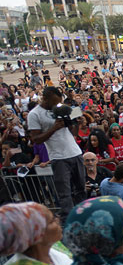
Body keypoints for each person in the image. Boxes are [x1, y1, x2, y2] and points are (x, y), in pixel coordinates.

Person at [27, 86, 84, 219]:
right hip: (58, 157)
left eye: (58, 102)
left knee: (81, 188)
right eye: (54, 102)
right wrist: (54, 128)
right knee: (65, 191)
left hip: (75, 152)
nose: (56, 105)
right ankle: (69, 218)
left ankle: (83, 214)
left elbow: (73, 133)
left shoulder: (60, 108)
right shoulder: (34, 114)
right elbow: (35, 139)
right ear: (44, 99)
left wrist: (76, 124)